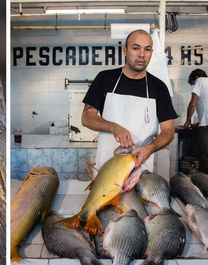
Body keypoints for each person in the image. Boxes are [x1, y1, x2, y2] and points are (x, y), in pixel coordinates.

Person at [82, 29, 177, 172]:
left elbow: (168, 131)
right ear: (125, 51)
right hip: (107, 169)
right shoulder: (105, 79)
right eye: (135, 48)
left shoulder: (158, 87)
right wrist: (114, 127)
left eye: (147, 49)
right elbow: (86, 118)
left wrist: (150, 148)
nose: (142, 54)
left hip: (140, 170)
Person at [184, 69, 208, 174]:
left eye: (193, 83)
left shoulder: (200, 81)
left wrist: (187, 121)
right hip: (204, 124)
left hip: (206, 127)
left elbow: (193, 103)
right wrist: (198, 124)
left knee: (204, 158)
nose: (194, 85)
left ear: (196, 77)